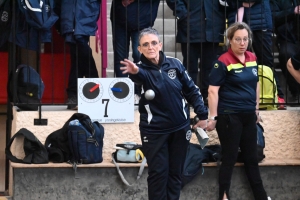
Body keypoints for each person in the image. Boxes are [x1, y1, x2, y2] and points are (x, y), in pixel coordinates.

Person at [120, 27, 208, 200]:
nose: (150, 47)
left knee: (176, 174)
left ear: (160, 44)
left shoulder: (174, 64)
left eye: (153, 43)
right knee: (158, 175)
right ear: (139, 49)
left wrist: (203, 115)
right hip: (154, 131)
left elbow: (192, 90)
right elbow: (144, 77)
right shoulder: (137, 71)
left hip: (180, 129)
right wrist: (137, 71)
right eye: (145, 44)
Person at [206, 22, 271, 200]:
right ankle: (224, 196)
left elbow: (256, 83)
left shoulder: (251, 57)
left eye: (245, 39)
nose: (242, 43)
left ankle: (261, 197)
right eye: (238, 39)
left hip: (249, 115)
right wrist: (213, 117)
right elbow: (212, 91)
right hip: (229, 117)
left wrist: (256, 109)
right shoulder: (222, 62)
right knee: (230, 157)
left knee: (251, 158)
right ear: (230, 40)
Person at [226, 0, 286, 109]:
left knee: (266, 61)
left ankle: (278, 96)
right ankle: (239, 97)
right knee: (237, 62)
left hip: (259, 20)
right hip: (237, 21)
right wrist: (239, 3)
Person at [166, 0, 225, 101]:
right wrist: (183, 14)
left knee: (209, 67)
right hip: (190, 26)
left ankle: (207, 97)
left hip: (213, 27)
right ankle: (190, 97)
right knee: (189, 67)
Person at [110, 0, 160, 103]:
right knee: (120, 58)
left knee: (140, 56)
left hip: (143, 18)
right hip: (120, 17)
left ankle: (139, 91)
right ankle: (122, 93)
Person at [270, 0, 300, 102]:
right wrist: (293, 11)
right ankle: (296, 92)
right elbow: (273, 17)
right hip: (287, 39)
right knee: (286, 54)